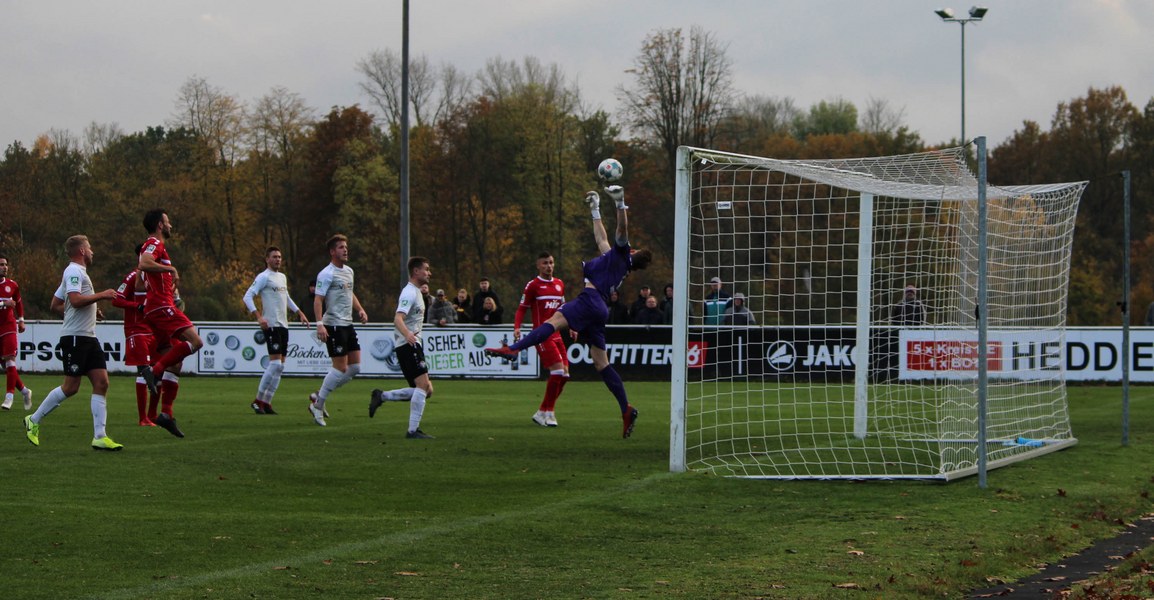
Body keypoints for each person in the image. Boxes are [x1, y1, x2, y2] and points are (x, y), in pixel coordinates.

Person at [486, 185, 652, 438]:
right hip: (600, 309)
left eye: (634, 248)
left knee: (554, 320)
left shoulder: (622, 254)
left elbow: (621, 230)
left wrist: (620, 203)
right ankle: (625, 408)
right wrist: (595, 210)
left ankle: (514, 349)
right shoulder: (617, 262)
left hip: (590, 299)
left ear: (633, 253)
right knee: (601, 362)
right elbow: (601, 239)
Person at [23, 235, 122, 451]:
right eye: (90, 247)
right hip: (76, 337)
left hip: (88, 336)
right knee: (71, 387)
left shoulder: (77, 273)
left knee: (102, 382)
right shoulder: (74, 272)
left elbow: (56, 304)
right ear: (82, 251)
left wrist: (92, 312)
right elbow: (75, 301)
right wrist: (101, 295)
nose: (92, 251)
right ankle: (34, 419)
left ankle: (100, 437)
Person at [138, 208, 203, 438]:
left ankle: (165, 413)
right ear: (159, 225)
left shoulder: (155, 246)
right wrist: (170, 269)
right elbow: (144, 264)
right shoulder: (154, 243)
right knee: (196, 342)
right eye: (168, 222)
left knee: (175, 364)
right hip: (161, 307)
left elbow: (141, 280)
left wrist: (165, 282)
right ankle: (154, 371)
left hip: (156, 307)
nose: (170, 225)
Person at [368, 256, 436, 439]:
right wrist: (408, 335)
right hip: (408, 345)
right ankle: (412, 431)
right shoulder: (409, 292)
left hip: (410, 344)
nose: (429, 273)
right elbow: (398, 318)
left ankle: (381, 396)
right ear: (416, 271)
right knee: (423, 386)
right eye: (426, 269)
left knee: (427, 390)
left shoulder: (417, 292)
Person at [308, 234, 369, 426]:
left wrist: (360, 309)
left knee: (355, 367)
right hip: (333, 324)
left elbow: (349, 293)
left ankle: (318, 396)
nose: (345, 250)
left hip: (347, 324)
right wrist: (319, 324)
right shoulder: (326, 274)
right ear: (332, 252)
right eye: (341, 247)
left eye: (346, 247)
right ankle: (318, 405)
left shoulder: (349, 271)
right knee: (340, 367)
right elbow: (318, 300)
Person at [243, 246, 310, 415]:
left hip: (283, 326)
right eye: (274, 257)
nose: (278, 259)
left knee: (280, 367)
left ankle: (267, 402)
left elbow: (286, 297)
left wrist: (299, 312)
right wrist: (259, 316)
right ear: (267, 259)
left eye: (279, 257)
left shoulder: (282, 277)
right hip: (271, 325)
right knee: (275, 364)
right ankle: (258, 400)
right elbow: (247, 296)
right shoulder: (263, 277)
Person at [512, 252, 569, 427]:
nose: (549, 266)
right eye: (545, 263)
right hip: (542, 335)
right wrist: (517, 327)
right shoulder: (533, 285)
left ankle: (542, 411)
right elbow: (522, 308)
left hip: (557, 334)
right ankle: (549, 413)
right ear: (538, 265)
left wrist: (572, 326)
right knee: (557, 371)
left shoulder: (559, 284)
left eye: (551, 262)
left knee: (565, 375)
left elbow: (564, 309)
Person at [111, 246, 159, 426]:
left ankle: (152, 415)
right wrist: (137, 306)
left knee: (158, 372)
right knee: (143, 372)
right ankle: (142, 418)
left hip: (153, 330)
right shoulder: (133, 276)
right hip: (136, 330)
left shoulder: (155, 278)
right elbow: (116, 299)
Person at [0, 254, 32, 411]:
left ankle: (9, 397)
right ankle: (25, 391)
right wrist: (3, 303)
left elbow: (18, 302)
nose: (4, 267)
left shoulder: (12, 285)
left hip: (9, 326)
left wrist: (21, 319)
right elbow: (7, 303)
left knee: (10, 360)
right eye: (1, 265)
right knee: (4, 364)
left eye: (5, 264)